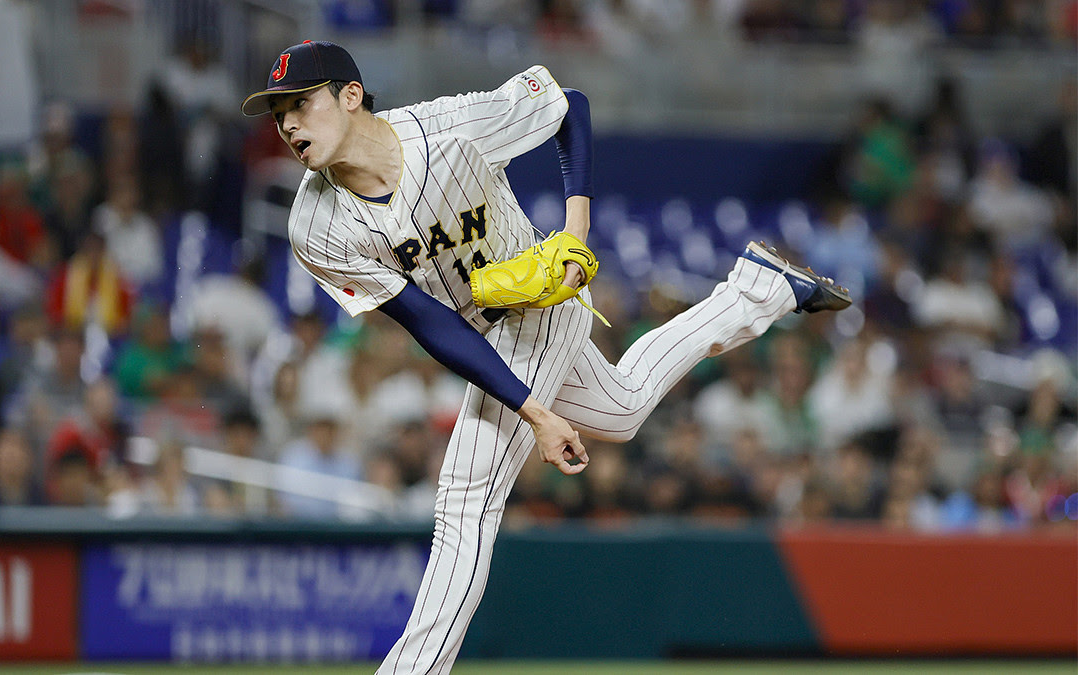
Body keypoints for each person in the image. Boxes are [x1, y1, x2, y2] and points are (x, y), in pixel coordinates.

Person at [240, 40, 850, 673]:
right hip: (478, 329)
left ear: (351, 95)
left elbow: (569, 107)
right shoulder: (314, 226)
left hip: (539, 304)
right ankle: (762, 289)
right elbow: (429, 324)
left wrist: (574, 234)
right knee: (623, 408)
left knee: (465, 497)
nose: (286, 124)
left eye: (300, 103)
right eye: (277, 111)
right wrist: (535, 411)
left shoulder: (450, 128)